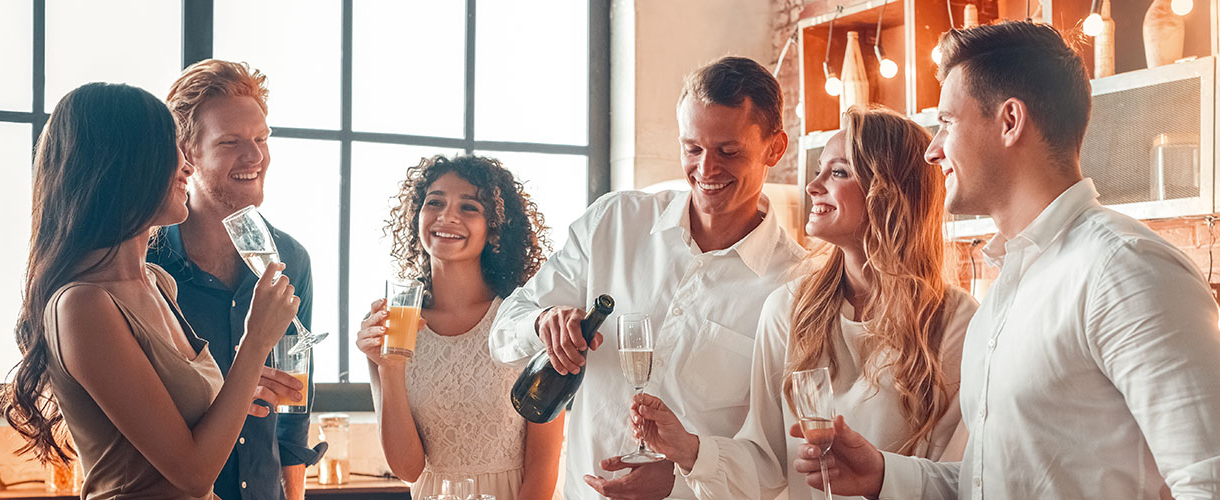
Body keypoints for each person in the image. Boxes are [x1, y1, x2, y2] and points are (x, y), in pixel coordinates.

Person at [794, 21, 1220, 499]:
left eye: (947, 123)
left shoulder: (1125, 271)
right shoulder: (1003, 298)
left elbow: (1207, 479)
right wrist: (884, 475)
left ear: (1010, 121)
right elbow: (990, 480)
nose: (934, 150)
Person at [489, 56, 806, 500]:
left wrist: (682, 479)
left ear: (775, 148)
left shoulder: (796, 286)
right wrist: (543, 322)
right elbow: (504, 330)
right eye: (692, 149)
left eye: (728, 152)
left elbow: (778, 462)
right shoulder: (613, 222)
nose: (706, 170)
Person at [631, 107, 978, 499]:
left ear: (892, 191)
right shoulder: (789, 309)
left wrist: (883, 474)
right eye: (819, 170)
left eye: (839, 172)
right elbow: (767, 463)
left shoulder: (956, 321)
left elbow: (963, 480)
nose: (813, 186)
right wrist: (692, 450)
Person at [0, 82, 299, 499]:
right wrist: (256, 341)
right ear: (122, 168)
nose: (186, 165)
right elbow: (193, 474)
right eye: (169, 149)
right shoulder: (82, 305)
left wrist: (246, 386)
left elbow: (185, 425)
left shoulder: (158, 281)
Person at [148, 59, 318, 500]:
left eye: (262, 139)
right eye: (231, 142)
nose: (256, 156)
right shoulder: (146, 262)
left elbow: (293, 413)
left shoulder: (291, 260)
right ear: (186, 152)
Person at [353, 155, 564, 500]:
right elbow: (408, 469)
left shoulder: (523, 321)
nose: (446, 216)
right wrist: (389, 367)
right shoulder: (394, 325)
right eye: (434, 202)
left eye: (469, 208)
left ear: (494, 227)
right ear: (416, 216)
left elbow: (543, 467)